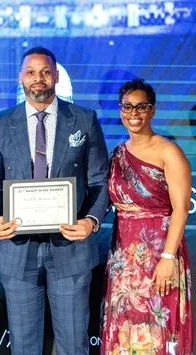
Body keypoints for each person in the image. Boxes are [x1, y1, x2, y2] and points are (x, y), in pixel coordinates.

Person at [0, 47, 109, 355]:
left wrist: (91, 222)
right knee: (24, 346)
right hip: (17, 248)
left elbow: (99, 181)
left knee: (73, 344)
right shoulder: (0, 123)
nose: (38, 79)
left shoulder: (84, 119)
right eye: (31, 72)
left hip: (71, 248)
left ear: (55, 76)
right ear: (21, 78)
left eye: (44, 72)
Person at [101, 79, 193, 354]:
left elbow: (180, 209)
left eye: (141, 107)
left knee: (158, 330)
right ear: (120, 110)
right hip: (123, 259)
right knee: (124, 332)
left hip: (159, 255)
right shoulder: (117, 154)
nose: (134, 114)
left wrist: (167, 259)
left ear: (152, 110)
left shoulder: (169, 151)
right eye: (127, 107)